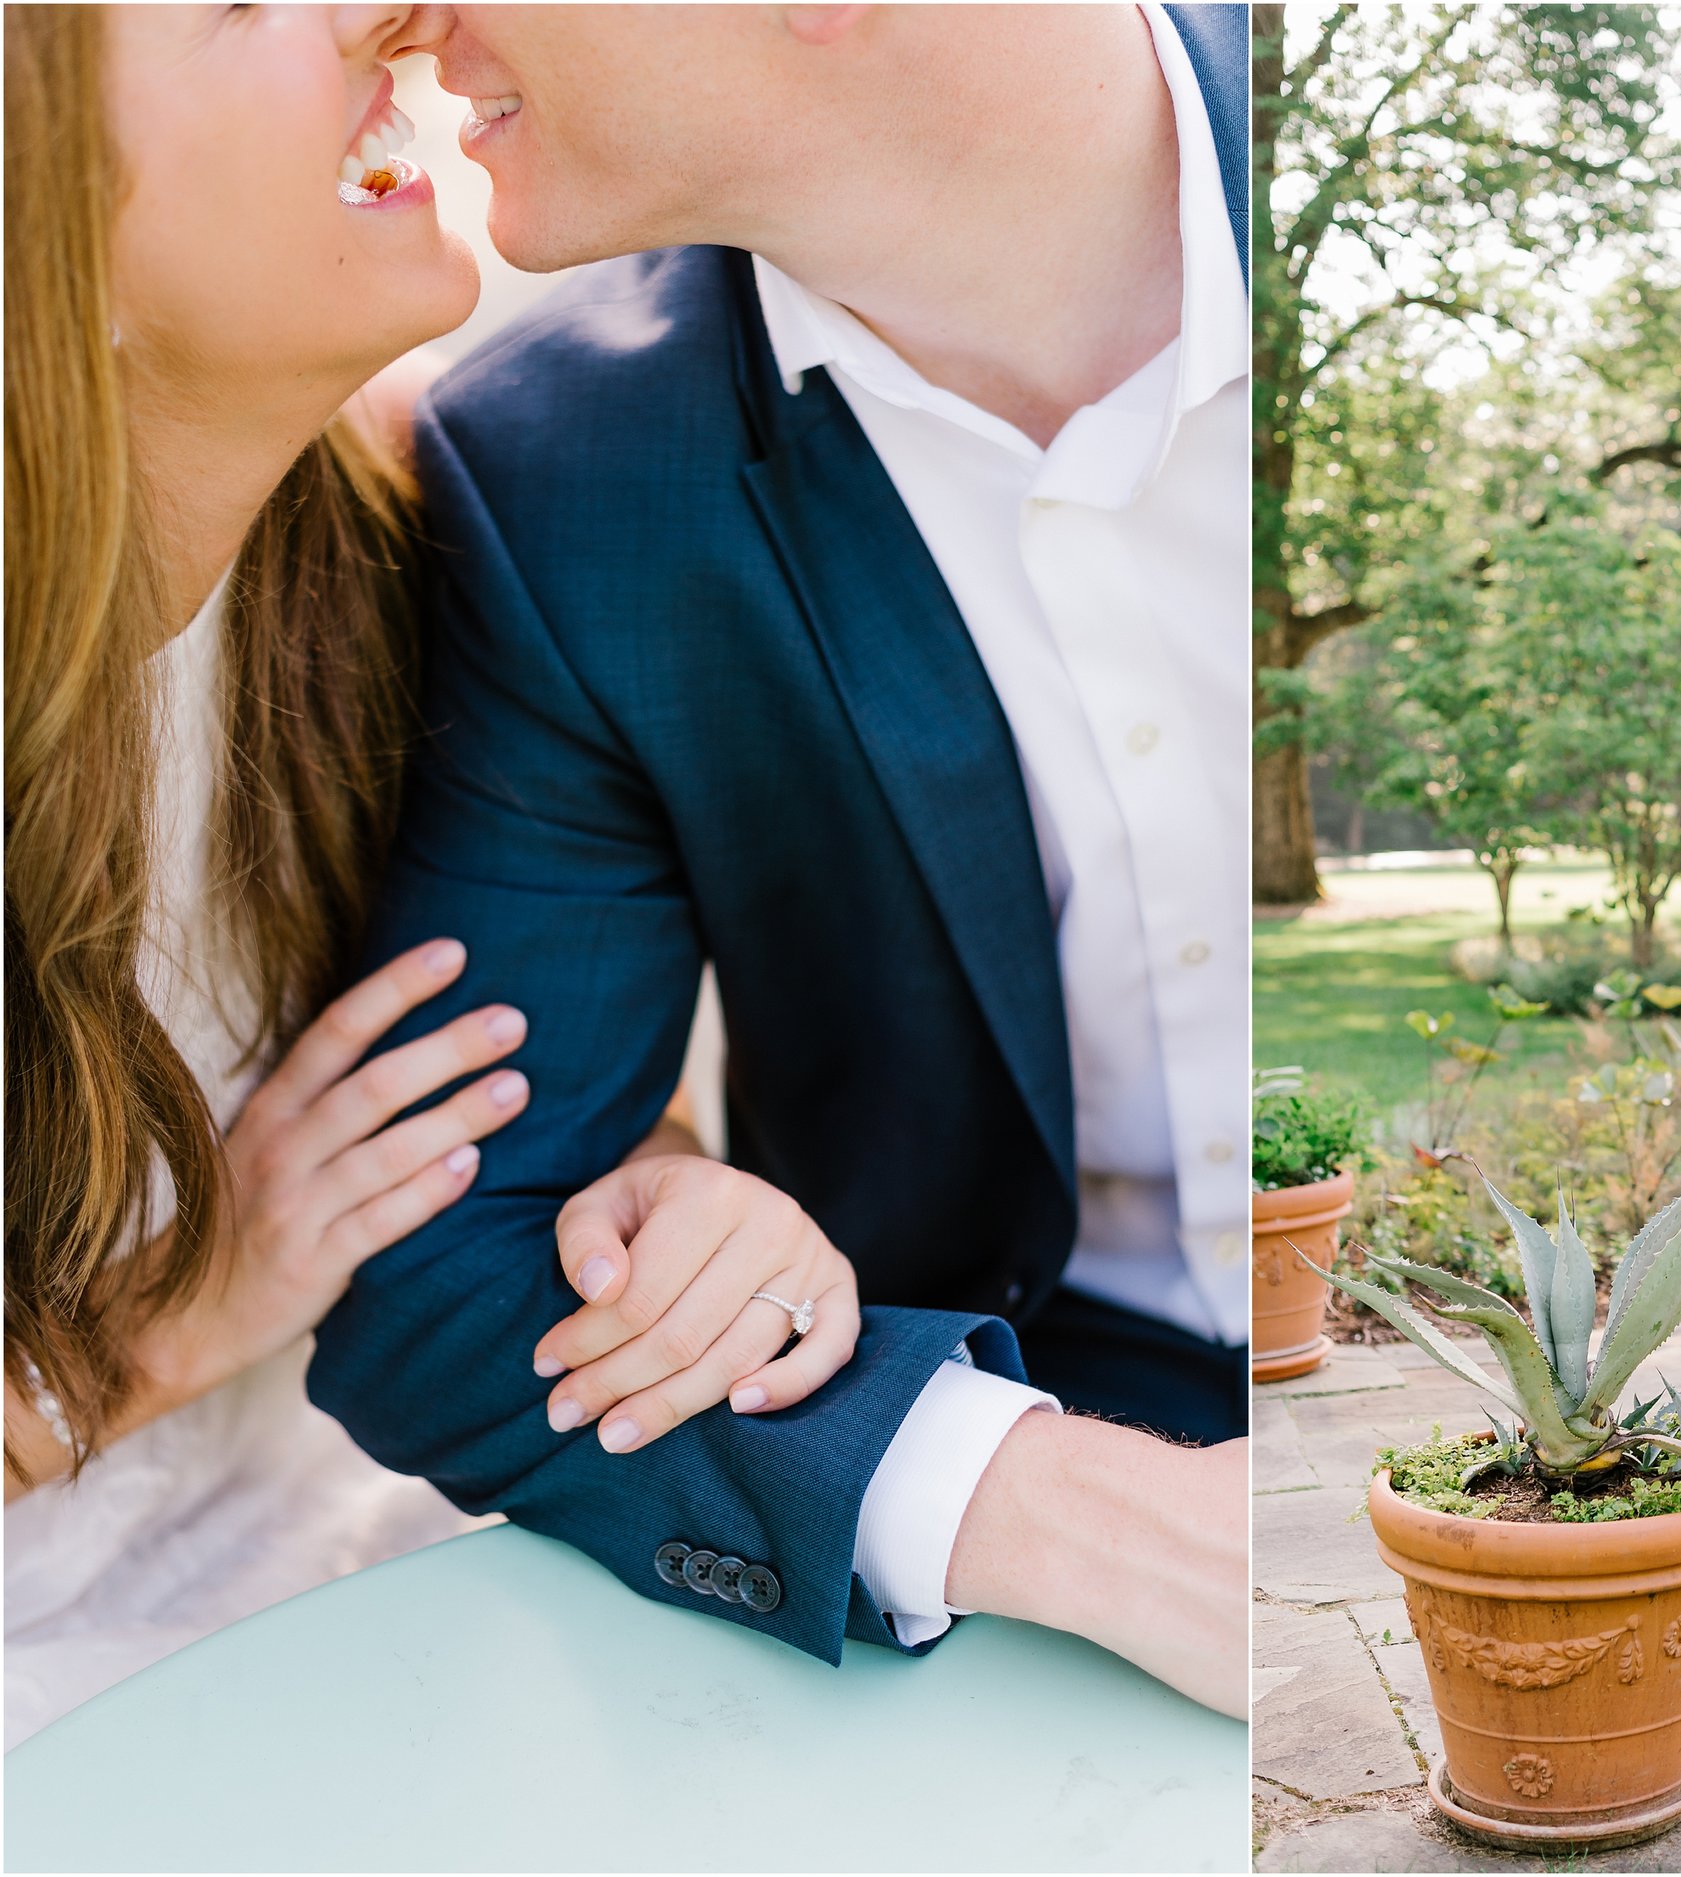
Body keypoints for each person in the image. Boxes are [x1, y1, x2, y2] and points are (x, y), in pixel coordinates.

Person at [304, 4, 1251, 1716]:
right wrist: (1045, 1506)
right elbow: (432, 1261)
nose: (401, 18)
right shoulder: (551, 469)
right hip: (987, 1558)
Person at [2, 3, 853, 1750]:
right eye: (238, 2)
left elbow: (505, 1091)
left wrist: (675, 1208)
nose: (380, 13)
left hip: (377, 1570)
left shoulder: (424, 526)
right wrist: (187, 1314)